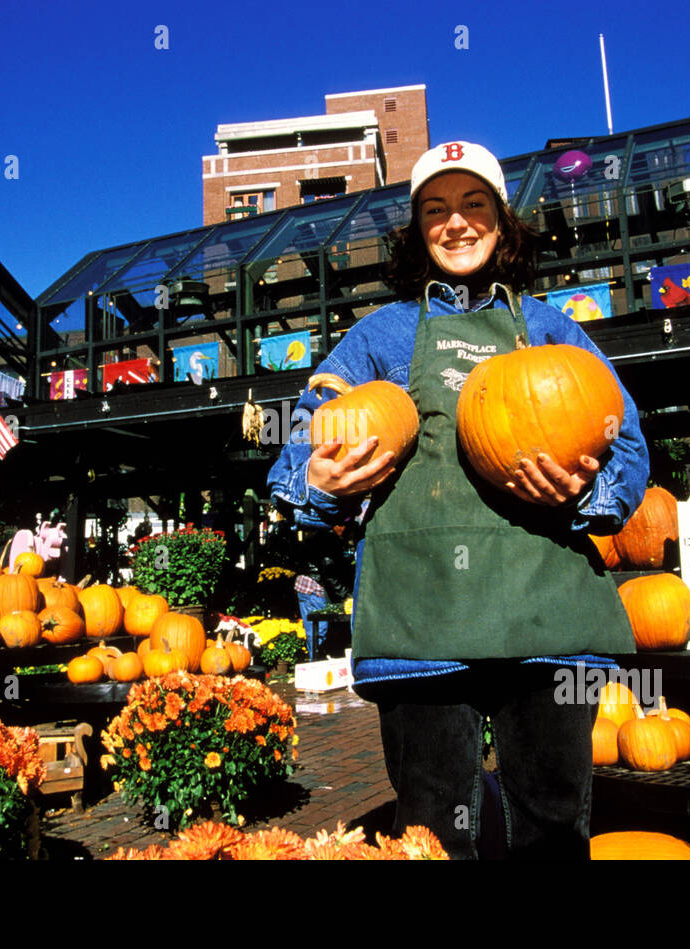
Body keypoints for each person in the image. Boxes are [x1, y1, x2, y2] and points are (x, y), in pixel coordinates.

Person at [267, 141, 648, 859]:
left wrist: (587, 494)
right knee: (433, 833)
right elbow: (305, 432)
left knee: (553, 829)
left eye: (475, 204)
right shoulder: (378, 336)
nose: (457, 223)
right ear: (418, 231)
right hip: (423, 619)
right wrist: (313, 482)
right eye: (435, 210)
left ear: (502, 221)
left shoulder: (553, 329)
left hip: (547, 611)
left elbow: (626, 443)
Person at [293, 518, 356, 661]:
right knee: (319, 631)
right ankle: (316, 664)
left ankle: (315, 662)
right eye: (344, 526)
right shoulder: (329, 539)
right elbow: (329, 572)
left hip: (306, 585)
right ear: (337, 525)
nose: (345, 531)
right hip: (314, 587)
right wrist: (345, 595)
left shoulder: (319, 534)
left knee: (313, 632)